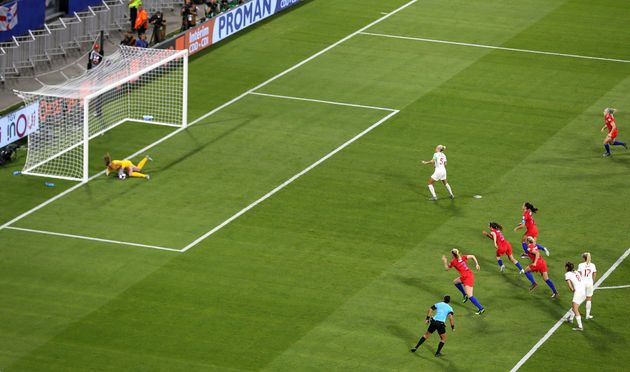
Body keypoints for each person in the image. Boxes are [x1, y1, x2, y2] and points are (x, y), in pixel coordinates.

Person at [442, 249, 485, 314]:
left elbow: (447, 268)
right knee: (455, 282)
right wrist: (477, 264)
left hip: (468, 278)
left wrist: (445, 261)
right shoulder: (462, 257)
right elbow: (473, 256)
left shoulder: (453, 261)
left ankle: (481, 308)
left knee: (470, 296)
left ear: (453, 254)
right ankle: (464, 295)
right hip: (466, 276)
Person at [563, 262, 586, 331]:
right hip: (584, 291)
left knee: (575, 309)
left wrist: (572, 289)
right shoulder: (576, 272)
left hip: (578, 292)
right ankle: (570, 319)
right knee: (574, 307)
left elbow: (569, 284)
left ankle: (580, 326)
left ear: (567, 267)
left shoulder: (567, 274)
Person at [578, 252, 597, 319]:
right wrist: (593, 281)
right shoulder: (593, 265)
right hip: (589, 283)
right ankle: (587, 315)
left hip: (582, 283)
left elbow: (579, 275)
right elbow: (594, 274)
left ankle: (573, 313)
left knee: (578, 298)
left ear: (584, 258)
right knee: (589, 299)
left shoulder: (580, 265)